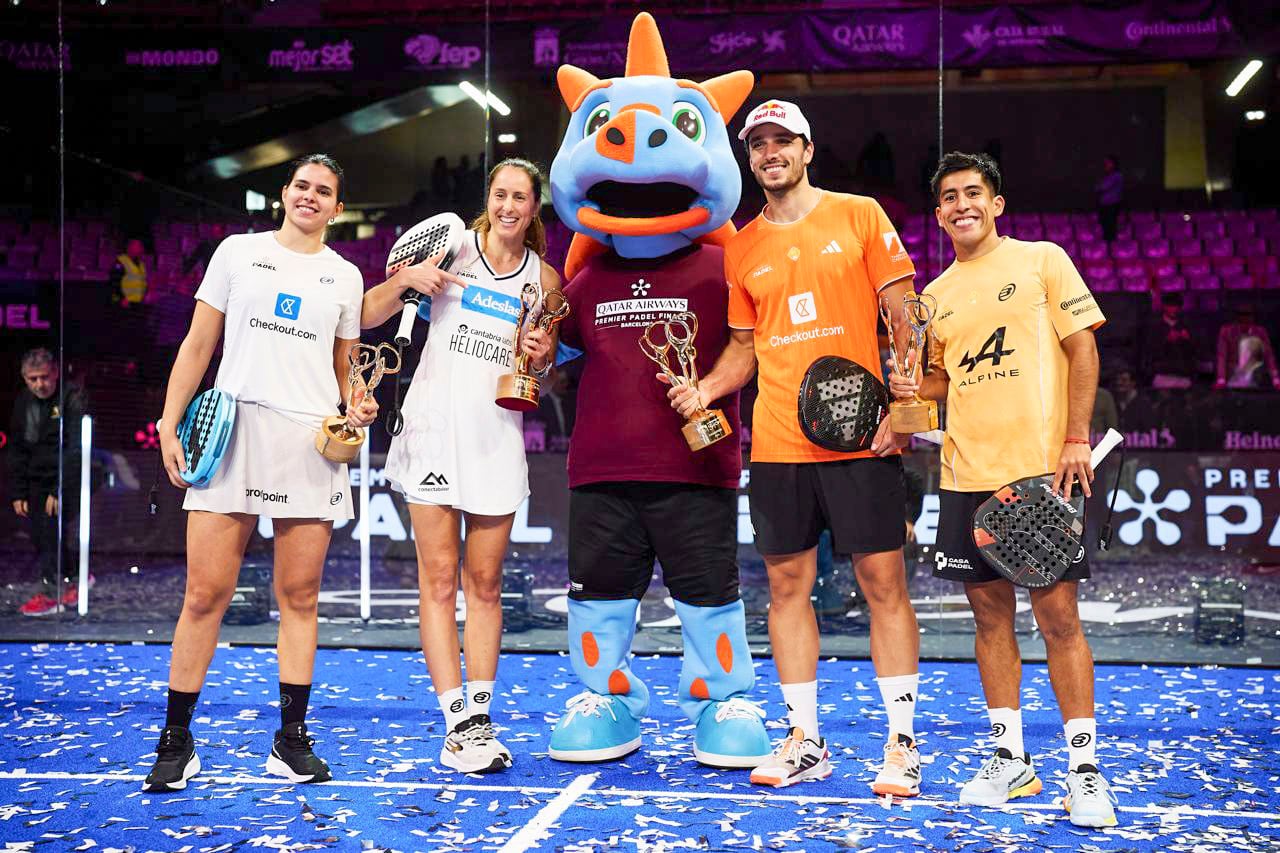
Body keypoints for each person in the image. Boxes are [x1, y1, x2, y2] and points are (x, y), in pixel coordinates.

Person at [671, 100, 923, 794]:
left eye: (783, 141)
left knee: (883, 586)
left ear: (808, 149)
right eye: (759, 144)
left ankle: (901, 741)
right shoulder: (742, 246)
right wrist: (705, 388)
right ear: (749, 158)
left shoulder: (860, 215)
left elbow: (905, 314)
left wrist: (903, 409)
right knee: (787, 588)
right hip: (778, 445)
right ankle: (805, 738)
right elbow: (745, 352)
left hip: (858, 435)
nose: (770, 152)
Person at [889, 151, 1118, 827]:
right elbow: (939, 385)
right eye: (950, 197)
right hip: (965, 475)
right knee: (989, 619)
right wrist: (910, 388)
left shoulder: (1042, 260)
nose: (962, 204)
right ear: (938, 214)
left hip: (1040, 473)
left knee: (1058, 620)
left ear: (997, 203)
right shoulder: (934, 296)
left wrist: (1076, 436)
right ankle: (1011, 758)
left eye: (974, 193)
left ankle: (1083, 770)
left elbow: (1084, 349)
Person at [144, 154, 380, 792]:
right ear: (284, 193)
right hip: (234, 435)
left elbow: (345, 369)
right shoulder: (236, 254)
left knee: (300, 599)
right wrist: (169, 422)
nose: (310, 196)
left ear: (337, 206)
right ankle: (175, 739)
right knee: (203, 596)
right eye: (301, 185)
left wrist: (356, 402)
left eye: (324, 190)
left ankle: (289, 740)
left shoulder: (345, 278)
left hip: (309, 444)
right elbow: (198, 346)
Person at [365, 158, 557, 774]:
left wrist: (539, 350)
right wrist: (409, 280)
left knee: (487, 584)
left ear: (533, 209)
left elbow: (540, 368)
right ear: (490, 199)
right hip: (432, 432)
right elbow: (374, 307)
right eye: (500, 195)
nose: (508, 206)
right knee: (439, 579)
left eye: (520, 198)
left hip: (497, 439)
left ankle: (482, 710)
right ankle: (459, 725)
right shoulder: (450, 246)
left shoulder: (545, 279)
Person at [8, 348, 88, 616]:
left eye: (43, 377)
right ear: (24, 378)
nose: (39, 384)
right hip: (34, 480)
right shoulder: (23, 402)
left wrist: (59, 489)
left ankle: (53, 590)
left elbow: (74, 448)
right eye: (33, 379)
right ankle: (73, 577)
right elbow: (17, 448)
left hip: (63, 478)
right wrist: (18, 491)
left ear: (54, 373)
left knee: (52, 532)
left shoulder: (70, 397)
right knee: (40, 534)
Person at [1215, 304, 1280, 391]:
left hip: (1254, 376)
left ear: (1253, 318)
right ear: (1237, 318)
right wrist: (1221, 379)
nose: (1245, 318)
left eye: (1248, 315)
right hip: (1233, 375)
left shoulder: (1260, 332)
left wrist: (1276, 379)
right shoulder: (1226, 332)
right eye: (1242, 315)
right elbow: (1222, 356)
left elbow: (1269, 356)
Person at [1141, 292, 1196, 389]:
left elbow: (1196, 352)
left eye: (1176, 306)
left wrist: (1188, 340)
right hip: (1162, 375)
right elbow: (1149, 351)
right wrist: (1166, 340)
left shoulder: (1187, 326)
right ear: (1164, 306)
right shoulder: (1154, 327)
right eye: (1170, 305)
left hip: (1183, 376)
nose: (1173, 309)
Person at [111, 237, 148, 307]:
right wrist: (120, 299)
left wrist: (146, 294)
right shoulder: (121, 261)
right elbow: (114, 282)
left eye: (140, 246)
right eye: (137, 246)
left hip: (138, 302)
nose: (140, 248)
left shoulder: (141, 264)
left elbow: (144, 282)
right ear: (129, 247)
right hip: (125, 302)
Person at [1095, 156, 1123, 243]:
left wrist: (1100, 187)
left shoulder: (1117, 176)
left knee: (1111, 226)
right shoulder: (1107, 176)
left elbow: (1102, 187)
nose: (1106, 165)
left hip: (1112, 205)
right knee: (1105, 226)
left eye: (1108, 163)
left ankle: (1112, 245)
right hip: (1105, 205)